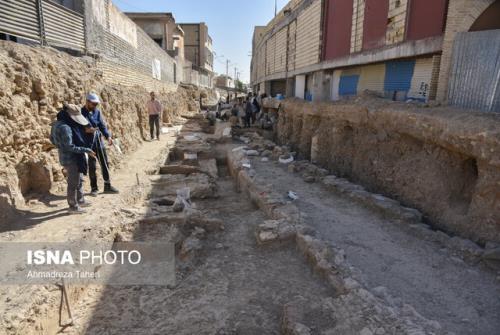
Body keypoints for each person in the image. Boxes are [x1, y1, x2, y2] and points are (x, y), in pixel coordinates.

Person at [50, 104, 96, 213]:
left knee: (79, 180)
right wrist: (86, 150)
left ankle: (80, 200)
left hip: (66, 157)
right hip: (71, 159)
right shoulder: (66, 128)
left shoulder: (56, 124)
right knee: (73, 183)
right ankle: (73, 207)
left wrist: (60, 145)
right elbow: (70, 147)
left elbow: (52, 140)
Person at [81, 93, 119, 196]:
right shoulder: (80, 113)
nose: (95, 106)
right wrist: (86, 130)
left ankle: (107, 185)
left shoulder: (97, 112)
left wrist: (108, 136)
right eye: (93, 104)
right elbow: (79, 128)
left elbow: (102, 126)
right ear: (87, 102)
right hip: (89, 143)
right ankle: (94, 188)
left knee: (105, 163)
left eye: (96, 104)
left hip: (99, 141)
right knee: (92, 166)